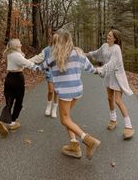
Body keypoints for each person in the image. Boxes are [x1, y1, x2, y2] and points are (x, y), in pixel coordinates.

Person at [37, 29, 101, 160]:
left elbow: (39, 67)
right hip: (77, 91)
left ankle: (88, 140)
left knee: (65, 119)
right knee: (68, 118)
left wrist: (24, 64)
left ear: (59, 41)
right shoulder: (79, 52)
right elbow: (92, 69)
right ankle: (74, 145)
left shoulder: (54, 55)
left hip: (66, 92)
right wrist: (103, 71)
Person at [86, 29, 134, 140]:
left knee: (118, 100)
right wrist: (86, 54)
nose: (108, 36)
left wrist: (100, 70)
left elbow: (112, 64)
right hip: (109, 76)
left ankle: (129, 126)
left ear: (115, 39)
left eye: (110, 36)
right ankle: (113, 120)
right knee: (109, 98)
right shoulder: (104, 46)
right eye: (108, 35)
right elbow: (96, 53)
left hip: (117, 76)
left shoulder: (116, 49)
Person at [0, 38, 37, 138]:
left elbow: (24, 61)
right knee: (19, 101)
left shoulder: (9, 54)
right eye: (20, 44)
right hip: (18, 79)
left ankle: (3, 120)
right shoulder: (16, 55)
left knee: (9, 101)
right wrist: (38, 68)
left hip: (9, 78)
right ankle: (12, 122)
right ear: (15, 46)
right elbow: (27, 64)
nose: (21, 45)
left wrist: (34, 59)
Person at [30, 34, 59, 118]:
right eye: (54, 39)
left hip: (59, 73)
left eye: (58, 39)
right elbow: (39, 58)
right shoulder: (47, 50)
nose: (56, 41)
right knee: (50, 90)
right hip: (49, 72)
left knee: (57, 91)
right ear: (52, 40)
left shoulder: (62, 50)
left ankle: (54, 109)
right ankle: (48, 106)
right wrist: (27, 61)